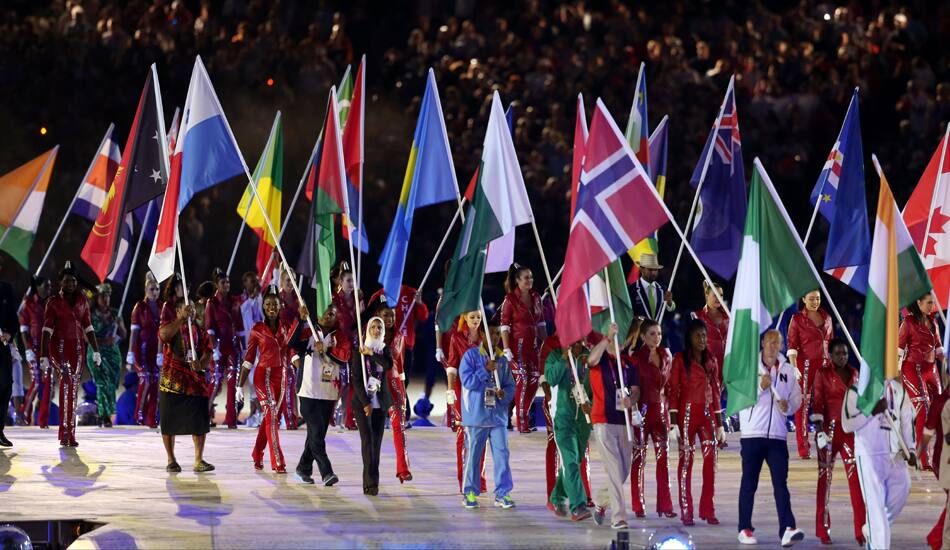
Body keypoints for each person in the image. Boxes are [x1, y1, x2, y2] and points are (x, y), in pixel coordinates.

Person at [736, 330, 805, 547]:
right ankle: (744, 528)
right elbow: (738, 397)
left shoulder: (787, 370)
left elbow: (797, 397)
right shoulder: (749, 367)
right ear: (763, 343)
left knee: (780, 484)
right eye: (770, 342)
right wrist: (759, 387)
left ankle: (787, 528)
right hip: (752, 434)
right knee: (749, 483)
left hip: (777, 435)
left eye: (778, 342)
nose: (774, 346)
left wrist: (789, 406)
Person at [238, 285, 308, 473]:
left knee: (272, 419)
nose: (271, 307)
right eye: (268, 304)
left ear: (280, 306)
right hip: (263, 376)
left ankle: (257, 452)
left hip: (282, 376)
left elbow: (292, 348)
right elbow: (248, 360)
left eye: (275, 304)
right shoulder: (257, 329)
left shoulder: (286, 327)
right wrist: (239, 385)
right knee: (270, 415)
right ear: (264, 307)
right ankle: (278, 461)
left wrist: (298, 364)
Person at [842, 377, 916, 549]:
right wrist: (871, 411)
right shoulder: (857, 389)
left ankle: (871, 528)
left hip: (894, 456)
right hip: (870, 455)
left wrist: (910, 449)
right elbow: (847, 424)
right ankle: (877, 539)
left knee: (903, 489)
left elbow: (907, 419)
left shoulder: (898, 389)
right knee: (876, 511)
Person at [809, 338, 865, 545]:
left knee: (857, 482)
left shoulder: (855, 373)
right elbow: (817, 403)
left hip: (850, 433)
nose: (843, 357)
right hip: (828, 433)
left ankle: (862, 530)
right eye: (838, 353)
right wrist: (820, 431)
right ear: (830, 355)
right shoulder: (822, 374)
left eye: (845, 353)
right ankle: (822, 529)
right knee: (825, 481)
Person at [669, 319, 724, 526]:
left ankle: (708, 510)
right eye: (697, 335)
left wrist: (720, 425)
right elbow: (673, 391)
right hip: (687, 415)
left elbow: (716, 392)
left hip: (708, 415)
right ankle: (686, 510)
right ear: (689, 338)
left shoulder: (711, 360)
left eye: (704, 335)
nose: (702, 339)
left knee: (711, 463)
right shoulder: (680, 359)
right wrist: (673, 423)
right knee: (686, 463)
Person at [40, 262, 100, 447]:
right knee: (66, 387)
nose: (70, 284)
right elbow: (46, 331)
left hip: (78, 350)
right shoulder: (53, 302)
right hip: (59, 348)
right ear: (60, 283)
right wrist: (43, 356)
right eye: (67, 281)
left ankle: (70, 435)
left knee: (73, 390)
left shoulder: (82, 300)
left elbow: (88, 326)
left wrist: (96, 350)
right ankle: (64, 434)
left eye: (73, 281)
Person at [459, 319, 516, 510]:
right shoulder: (471, 356)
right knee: (473, 456)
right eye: (491, 333)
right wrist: (485, 370)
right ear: (482, 335)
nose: (495, 337)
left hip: (498, 417)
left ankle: (502, 493)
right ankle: (469, 492)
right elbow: (467, 382)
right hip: (476, 417)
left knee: (502, 454)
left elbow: (510, 386)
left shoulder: (503, 361)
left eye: (497, 333)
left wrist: (504, 395)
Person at [588, 322, 639, 528]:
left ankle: (601, 501)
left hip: (624, 421)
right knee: (614, 470)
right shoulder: (599, 360)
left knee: (623, 470)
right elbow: (590, 359)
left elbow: (636, 390)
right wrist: (607, 338)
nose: (621, 342)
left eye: (623, 339)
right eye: (618, 338)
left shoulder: (628, 363)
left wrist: (632, 399)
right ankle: (618, 517)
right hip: (603, 420)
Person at [158, 296, 214, 473]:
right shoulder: (171, 326)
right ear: (178, 311)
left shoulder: (199, 328)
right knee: (169, 421)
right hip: (172, 379)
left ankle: (198, 460)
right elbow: (163, 335)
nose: (191, 311)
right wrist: (180, 320)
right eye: (186, 308)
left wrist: (202, 363)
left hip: (194, 380)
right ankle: (171, 459)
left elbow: (208, 351)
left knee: (199, 420)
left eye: (192, 308)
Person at [630, 319, 676, 519]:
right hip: (642, 412)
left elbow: (671, 386)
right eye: (651, 334)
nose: (656, 338)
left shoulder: (666, 355)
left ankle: (665, 505)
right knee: (639, 459)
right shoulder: (635, 358)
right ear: (642, 336)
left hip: (661, 413)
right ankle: (638, 505)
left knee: (663, 459)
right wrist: (632, 411)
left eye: (658, 333)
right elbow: (631, 388)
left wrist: (674, 415)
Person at [295, 305, 344, 486]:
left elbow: (345, 357)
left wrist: (327, 350)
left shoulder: (339, 336)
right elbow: (292, 343)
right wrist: (300, 320)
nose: (329, 315)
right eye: (325, 312)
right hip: (307, 392)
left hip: (328, 394)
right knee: (316, 433)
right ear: (318, 314)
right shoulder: (308, 330)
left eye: (332, 313)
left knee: (316, 436)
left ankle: (303, 468)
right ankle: (327, 472)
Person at [545, 336, 593, 521]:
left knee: (573, 461)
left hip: (583, 420)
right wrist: (564, 358)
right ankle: (578, 505)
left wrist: (593, 405)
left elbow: (597, 387)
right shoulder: (556, 356)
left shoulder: (589, 359)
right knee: (571, 462)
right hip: (563, 419)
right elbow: (551, 379)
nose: (576, 343)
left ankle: (557, 497)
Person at [368, 284, 428, 425]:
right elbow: (368, 315)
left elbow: (423, 316)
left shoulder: (411, 292)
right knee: (381, 380)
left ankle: (400, 415)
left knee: (402, 380)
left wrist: (419, 303)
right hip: (382, 344)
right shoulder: (378, 295)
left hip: (404, 345)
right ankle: (387, 414)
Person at [499, 263, 546, 433]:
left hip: (533, 347)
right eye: (526, 277)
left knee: (534, 381)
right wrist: (506, 349)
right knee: (523, 382)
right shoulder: (510, 300)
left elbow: (541, 323)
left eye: (531, 277)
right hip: (516, 348)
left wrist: (546, 344)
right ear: (518, 280)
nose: (530, 280)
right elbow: (504, 325)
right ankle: (522, 422)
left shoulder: (536, 297)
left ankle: (521, 414)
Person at [899, 292, 944, 470]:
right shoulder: (908, 323)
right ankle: (922, 458)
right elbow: (898, 351)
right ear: (917, 303)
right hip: (912, 370)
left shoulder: (933, 322)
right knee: (924, 412)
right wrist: (895, 376)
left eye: (932, 303)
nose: (931, 306)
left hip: (931, 370)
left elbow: (939, 348)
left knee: (940, 412)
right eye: (927, 303)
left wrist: (946, 360)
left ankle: (938, 456)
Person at [787, 290, 833, 459]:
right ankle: (803, 447)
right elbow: (792, 345)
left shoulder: (827, 317)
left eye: (818, 298)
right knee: (803, 407)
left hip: (824, 366)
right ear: (803, 299)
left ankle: (825, 444)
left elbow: (830, 343)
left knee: (826, 406)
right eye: (812, 298)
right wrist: (794, 367)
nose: (815, 301)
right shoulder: (797, 319)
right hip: (805, 366)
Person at [351, 316, 393, 495]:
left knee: (377, 444)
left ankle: (374, 481)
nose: (376, 330)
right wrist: (366, 403)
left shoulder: (384, 350)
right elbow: (357, 379)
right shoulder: (359, 351)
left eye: (379, 328)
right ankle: (369, 483)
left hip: (380, 403)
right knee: (367, 442)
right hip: (363, 403)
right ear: (367, 329)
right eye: (373, 327)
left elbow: (388, 365)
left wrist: (372, 354)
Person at [446, 310, 488, 493]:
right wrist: (449, 390)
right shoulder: (457, 338)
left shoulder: (486, 337)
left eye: (478, 317)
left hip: (484, 390)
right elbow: (452, 365)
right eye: (472, 317)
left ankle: (480, 479)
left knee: (482, 434)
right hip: (462, 391)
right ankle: (464, 480)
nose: (476, 320)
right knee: (463, 436)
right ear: (464, 318)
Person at [374, 303, 412, 482]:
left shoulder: (399, 336)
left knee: (399, 426)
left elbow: (401, 364)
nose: (389, 319)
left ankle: (403, 468)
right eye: (385, 315)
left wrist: (403, 389)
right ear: (378, 315)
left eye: (392, 316)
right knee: (374, 431)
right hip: (375, 385)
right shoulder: (370, 335)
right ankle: (372, 473)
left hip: (395, 384)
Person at [204, 268, 245, 429]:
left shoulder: (235, 302)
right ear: (216, 285)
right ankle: (204, 415)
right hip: (219, 348)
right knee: (215, 383)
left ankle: (231, 419)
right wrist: (214, 349)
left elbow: (240, 327)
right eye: (223, 282)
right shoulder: (211, 303)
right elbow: (210, 329)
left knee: (234, 383)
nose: (226, 284)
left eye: (228, 282)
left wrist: (243, 348)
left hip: (233, 348)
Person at [87, 283, 126, 427]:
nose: (106, 298)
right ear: (97, 297)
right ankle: (103, 415)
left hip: (112, 355)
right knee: (102, 383)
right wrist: (104, 341)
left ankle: (107, 414)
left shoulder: (115, 313)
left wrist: (119, 324)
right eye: (103, 295)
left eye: (108, 295)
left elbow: (123, 334)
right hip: (97, 352)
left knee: (111, 385)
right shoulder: (90, 315)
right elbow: (87, 337)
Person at [129, 273, 163, 428]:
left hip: (155, 352)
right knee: (146, 380)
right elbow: (134, 333)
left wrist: (161, 353)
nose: (154, 292)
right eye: (152, 289)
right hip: (141, 351)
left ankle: (152, 417)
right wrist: (130, 353)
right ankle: (139, 414)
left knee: (156, 382)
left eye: (157, 289)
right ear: (145, 289)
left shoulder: (163, 306)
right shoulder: (140, 307)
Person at [332, 262, 363, 431]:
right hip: (339, 349)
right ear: (340, 283)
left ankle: (350, 419)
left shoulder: (359, 299)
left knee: (354, 383)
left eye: (353, 280)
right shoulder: (335, 300)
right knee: (340, 383)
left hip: (356, 347)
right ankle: (332, 416)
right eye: (349, 280)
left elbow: (362, 323)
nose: (352, 284)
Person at [921, 368, 950, 550]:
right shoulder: (941, 402)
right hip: (944, 460)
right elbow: (928, 431)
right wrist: (918, 453)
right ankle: (938, 539)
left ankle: (936, 538)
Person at [19, 275, 52, 427]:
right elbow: (24, 330)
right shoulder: (29, 304)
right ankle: (24, 413)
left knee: (49, 384)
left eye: (50, 286)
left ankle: (43, 419)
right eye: (46, 286)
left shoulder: (51, 304)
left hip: (49, 350)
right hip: (34, 349)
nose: (49, 289)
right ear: (37, 287)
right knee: (37, 382)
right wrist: (27, 350)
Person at [692, 281, 728, 390]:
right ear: (707, 295)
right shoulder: (697, 316)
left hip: (729, 365)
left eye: (721, 295)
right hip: (709, 368)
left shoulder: (728, 315)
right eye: (715, 295)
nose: (719, 298)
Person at [277, 268, 300, 429]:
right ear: (281, 281)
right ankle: (289, 419)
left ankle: (287, 416)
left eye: (293, 280)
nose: (290, 284)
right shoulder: (277, 298)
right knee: (288, 380)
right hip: (281, 346)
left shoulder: (298, 299)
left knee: (293, 381)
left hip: (295, 344)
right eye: (287, 280)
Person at [0, 267, 19, 447]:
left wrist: (9, 334)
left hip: (2, 347)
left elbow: (14, 319)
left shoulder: (6, 289)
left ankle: (0, 431)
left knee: (6, 386)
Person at [631, 253, 675, 321]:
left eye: (656, 270)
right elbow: (628, 314)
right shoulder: (631, 289)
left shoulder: (663, 289)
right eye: (650, 270)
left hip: (658, 330)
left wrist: (669, 303)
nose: (653, 273)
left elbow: (669, 316)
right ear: (641, 269)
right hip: (639, 330)